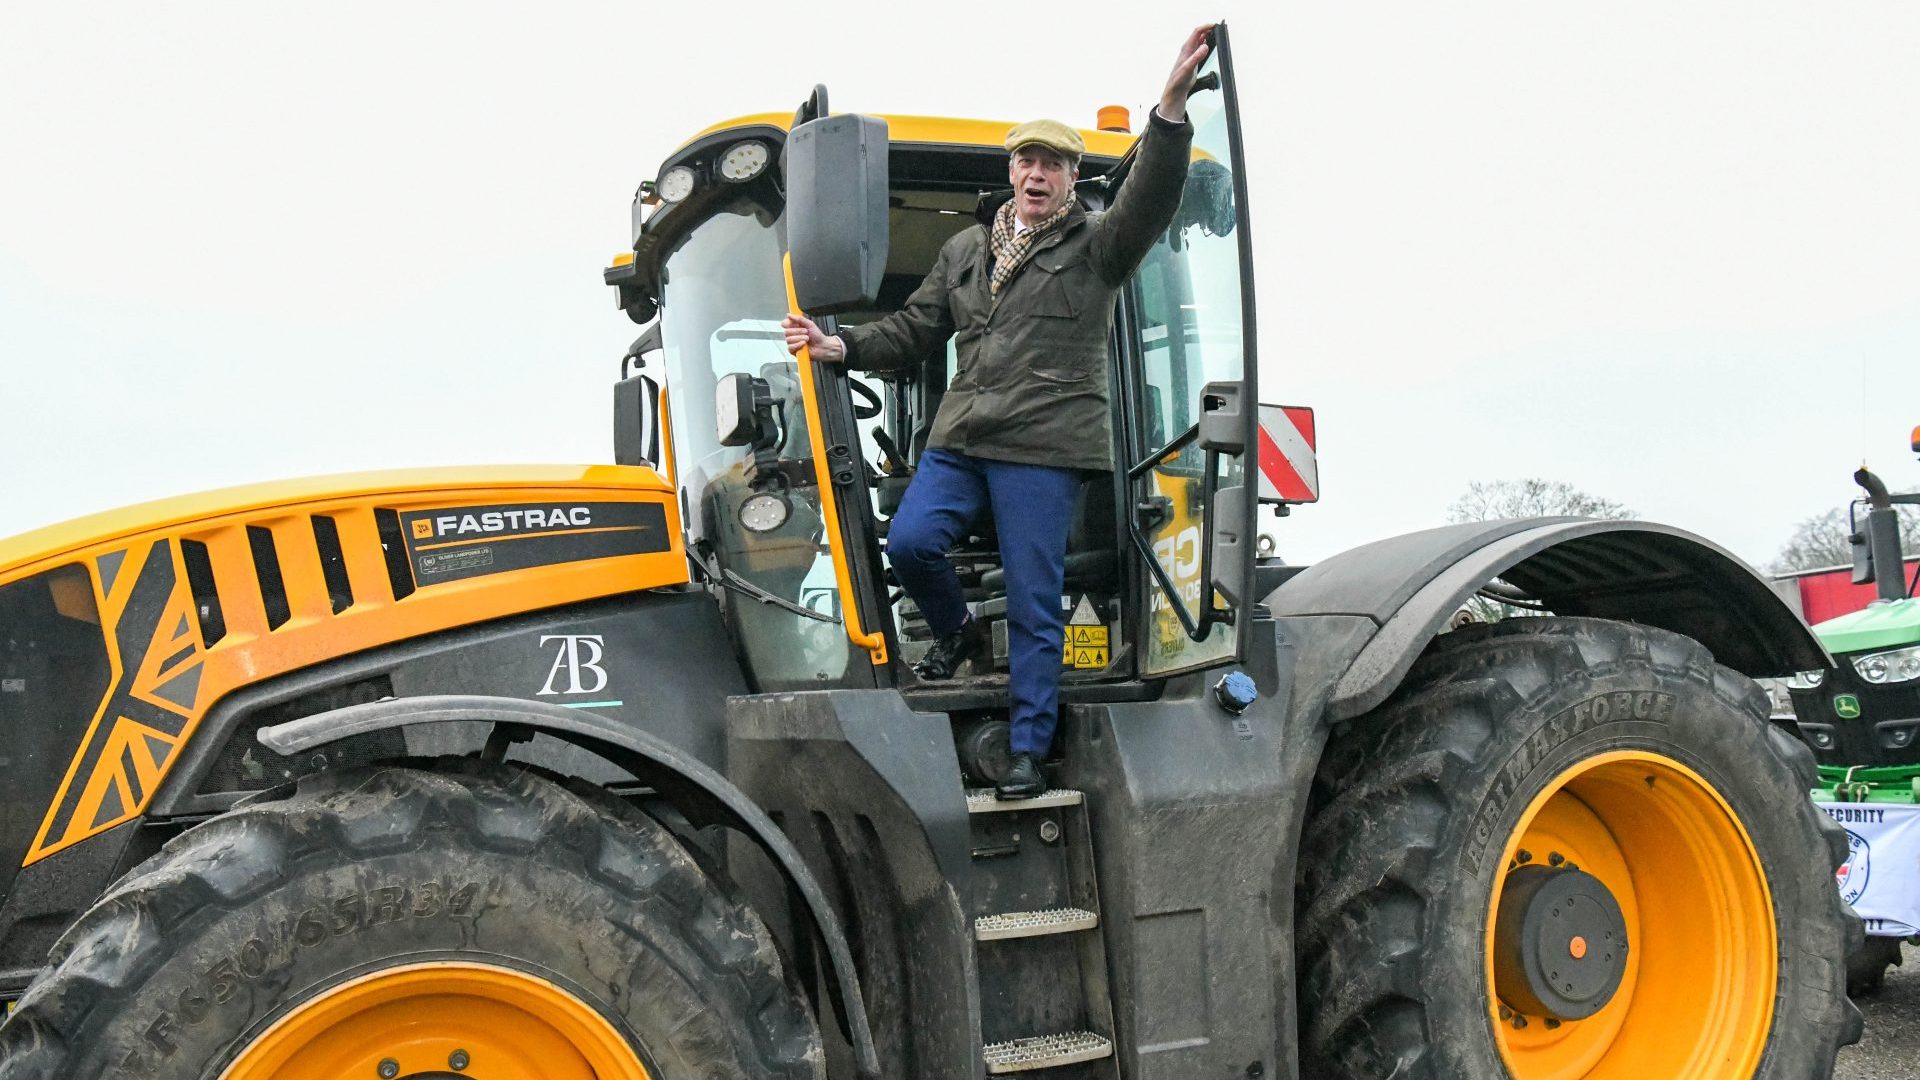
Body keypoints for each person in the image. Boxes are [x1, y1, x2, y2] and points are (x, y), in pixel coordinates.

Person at [783, 25, 1213, 798]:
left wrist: (1171, 109)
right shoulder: (965, 253)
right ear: (1012, 173)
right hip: (963, 439)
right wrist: (840, 347)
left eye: (1052, 163)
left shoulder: (1096, 247)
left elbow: (1149, 199)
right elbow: (916, 329)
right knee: (911, 543)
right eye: (1026, 160)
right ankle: (953, 630)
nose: (1037, 174)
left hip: (1043, 449)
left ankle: (1027, 751)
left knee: (1033, 599)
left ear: (1072, 176)